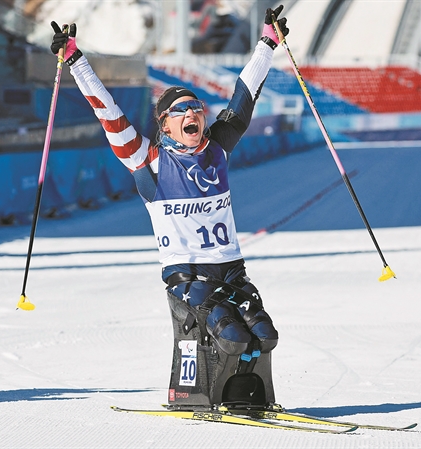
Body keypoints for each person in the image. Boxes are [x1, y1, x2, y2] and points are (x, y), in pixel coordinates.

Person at [49, 5, 289, 409]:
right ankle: (199, 396)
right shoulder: (147, 160)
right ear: (164, 124)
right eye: (180, 111)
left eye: (196, 108)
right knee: (230, 335)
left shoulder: (217, 148)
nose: (192, 114)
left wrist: (268, 42)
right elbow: (108, 112)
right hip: (187, 276)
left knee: (264, 335)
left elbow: (244, 96)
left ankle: (247, 395)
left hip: (231, 269)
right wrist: (75, 60)